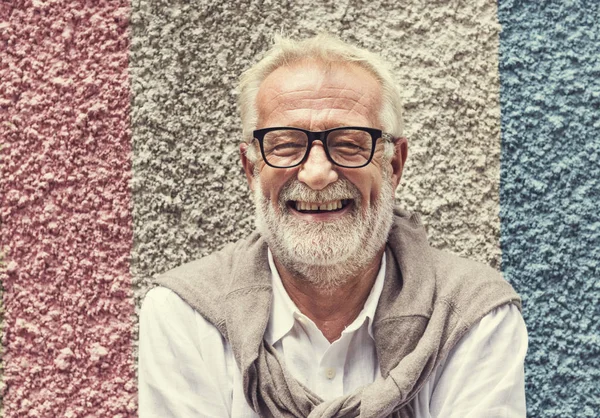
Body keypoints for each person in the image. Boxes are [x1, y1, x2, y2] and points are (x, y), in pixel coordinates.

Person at [138, 34, 527, 417]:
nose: (317, 173)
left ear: (393, 166)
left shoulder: (471, 315)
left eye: (349, 144)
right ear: (252, 170)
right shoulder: (185, 316)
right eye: (286, 144)